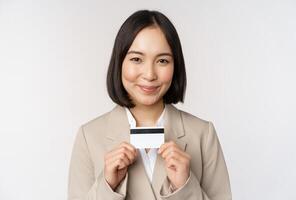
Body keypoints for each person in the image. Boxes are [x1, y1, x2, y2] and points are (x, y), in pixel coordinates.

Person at [68, 10, 231, 200]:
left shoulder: (204, 134)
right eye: (136, 59)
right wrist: (107, 186)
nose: (149, 74)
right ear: (119, 62)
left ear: (175, 66)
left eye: (162, 61)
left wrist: (185, 187)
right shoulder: (89, 136)